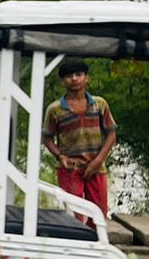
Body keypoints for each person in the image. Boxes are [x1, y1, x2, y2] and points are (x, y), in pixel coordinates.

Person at [42, 58, 117, 223]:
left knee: (99, 212)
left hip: (96, 166)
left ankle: (94, 245)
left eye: (79, 74)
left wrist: (98, 161)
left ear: (86, 78)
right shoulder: (55, 109)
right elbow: (47, 138)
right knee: (74, 213)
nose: (74, 79)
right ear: (63, 81)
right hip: (70, 168)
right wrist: (60, 156)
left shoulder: (99, 104)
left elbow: (111, 135)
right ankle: (76, 245)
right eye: (69, 76)